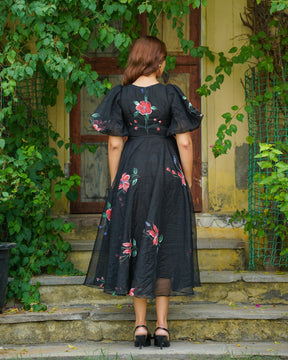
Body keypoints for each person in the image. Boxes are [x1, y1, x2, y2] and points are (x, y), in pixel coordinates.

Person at [84, 36, 202, 349]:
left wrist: (116, 185)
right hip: (166, 173)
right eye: (163, 59)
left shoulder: (120, 95)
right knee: (163, 244)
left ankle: (139, 326)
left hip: (131, 175)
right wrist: (186, 181)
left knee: (132, 241)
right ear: (157, 61)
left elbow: (114, 143)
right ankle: (162, 327)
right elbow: (185, 141)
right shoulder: (171, 93)